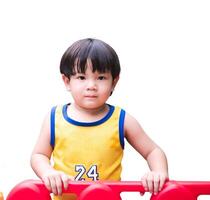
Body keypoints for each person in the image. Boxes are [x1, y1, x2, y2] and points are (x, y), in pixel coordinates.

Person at [31, 38, 168, 200]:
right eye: (82, 77)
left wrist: (158, 173)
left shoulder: (121, 120)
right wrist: (48, 172)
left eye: (101, 77)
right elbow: (38, 155)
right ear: (67, 81)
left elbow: (153, 151)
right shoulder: (55, 118)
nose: (91, 86)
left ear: (114, 82)